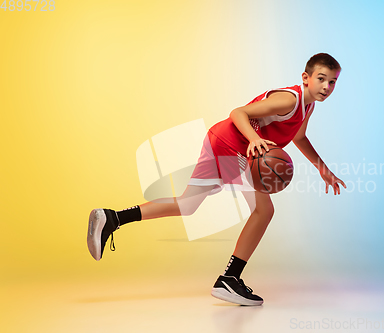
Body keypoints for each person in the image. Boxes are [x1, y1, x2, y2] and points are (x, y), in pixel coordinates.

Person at [87, 53, 347, 306]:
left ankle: (112, 218)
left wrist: (323, 169)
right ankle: (229, 279)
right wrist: (255, 139)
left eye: (332, 81)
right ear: (306, 77)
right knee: (263, 210)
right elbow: (239, 113)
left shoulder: (308, 105)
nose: (326, 86)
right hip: (233, 144)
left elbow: (299, 138)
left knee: (187, 205)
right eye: (321, 79)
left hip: (219, 139)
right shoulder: (288, 101)